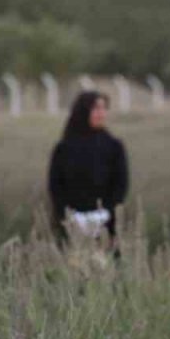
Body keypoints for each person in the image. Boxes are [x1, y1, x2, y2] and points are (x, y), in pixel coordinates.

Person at [47, 91, 129, 246]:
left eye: (104, 108)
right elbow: (56, 187)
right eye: (96, 109)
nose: (101, 113)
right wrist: (71, 217)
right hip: (71, 226)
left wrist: (104, 214)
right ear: (84, 112)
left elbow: (121, 185)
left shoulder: (113, 147)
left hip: (106, 226)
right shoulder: (64, 149)